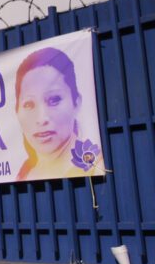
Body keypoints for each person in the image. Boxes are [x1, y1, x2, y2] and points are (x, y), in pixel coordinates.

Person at [15, 46, 102, 180]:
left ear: (76, 103)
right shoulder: (23, 174)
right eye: (29, 104)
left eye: (54, 100)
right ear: (17, 112)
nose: (42, 118)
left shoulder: (97, 166)